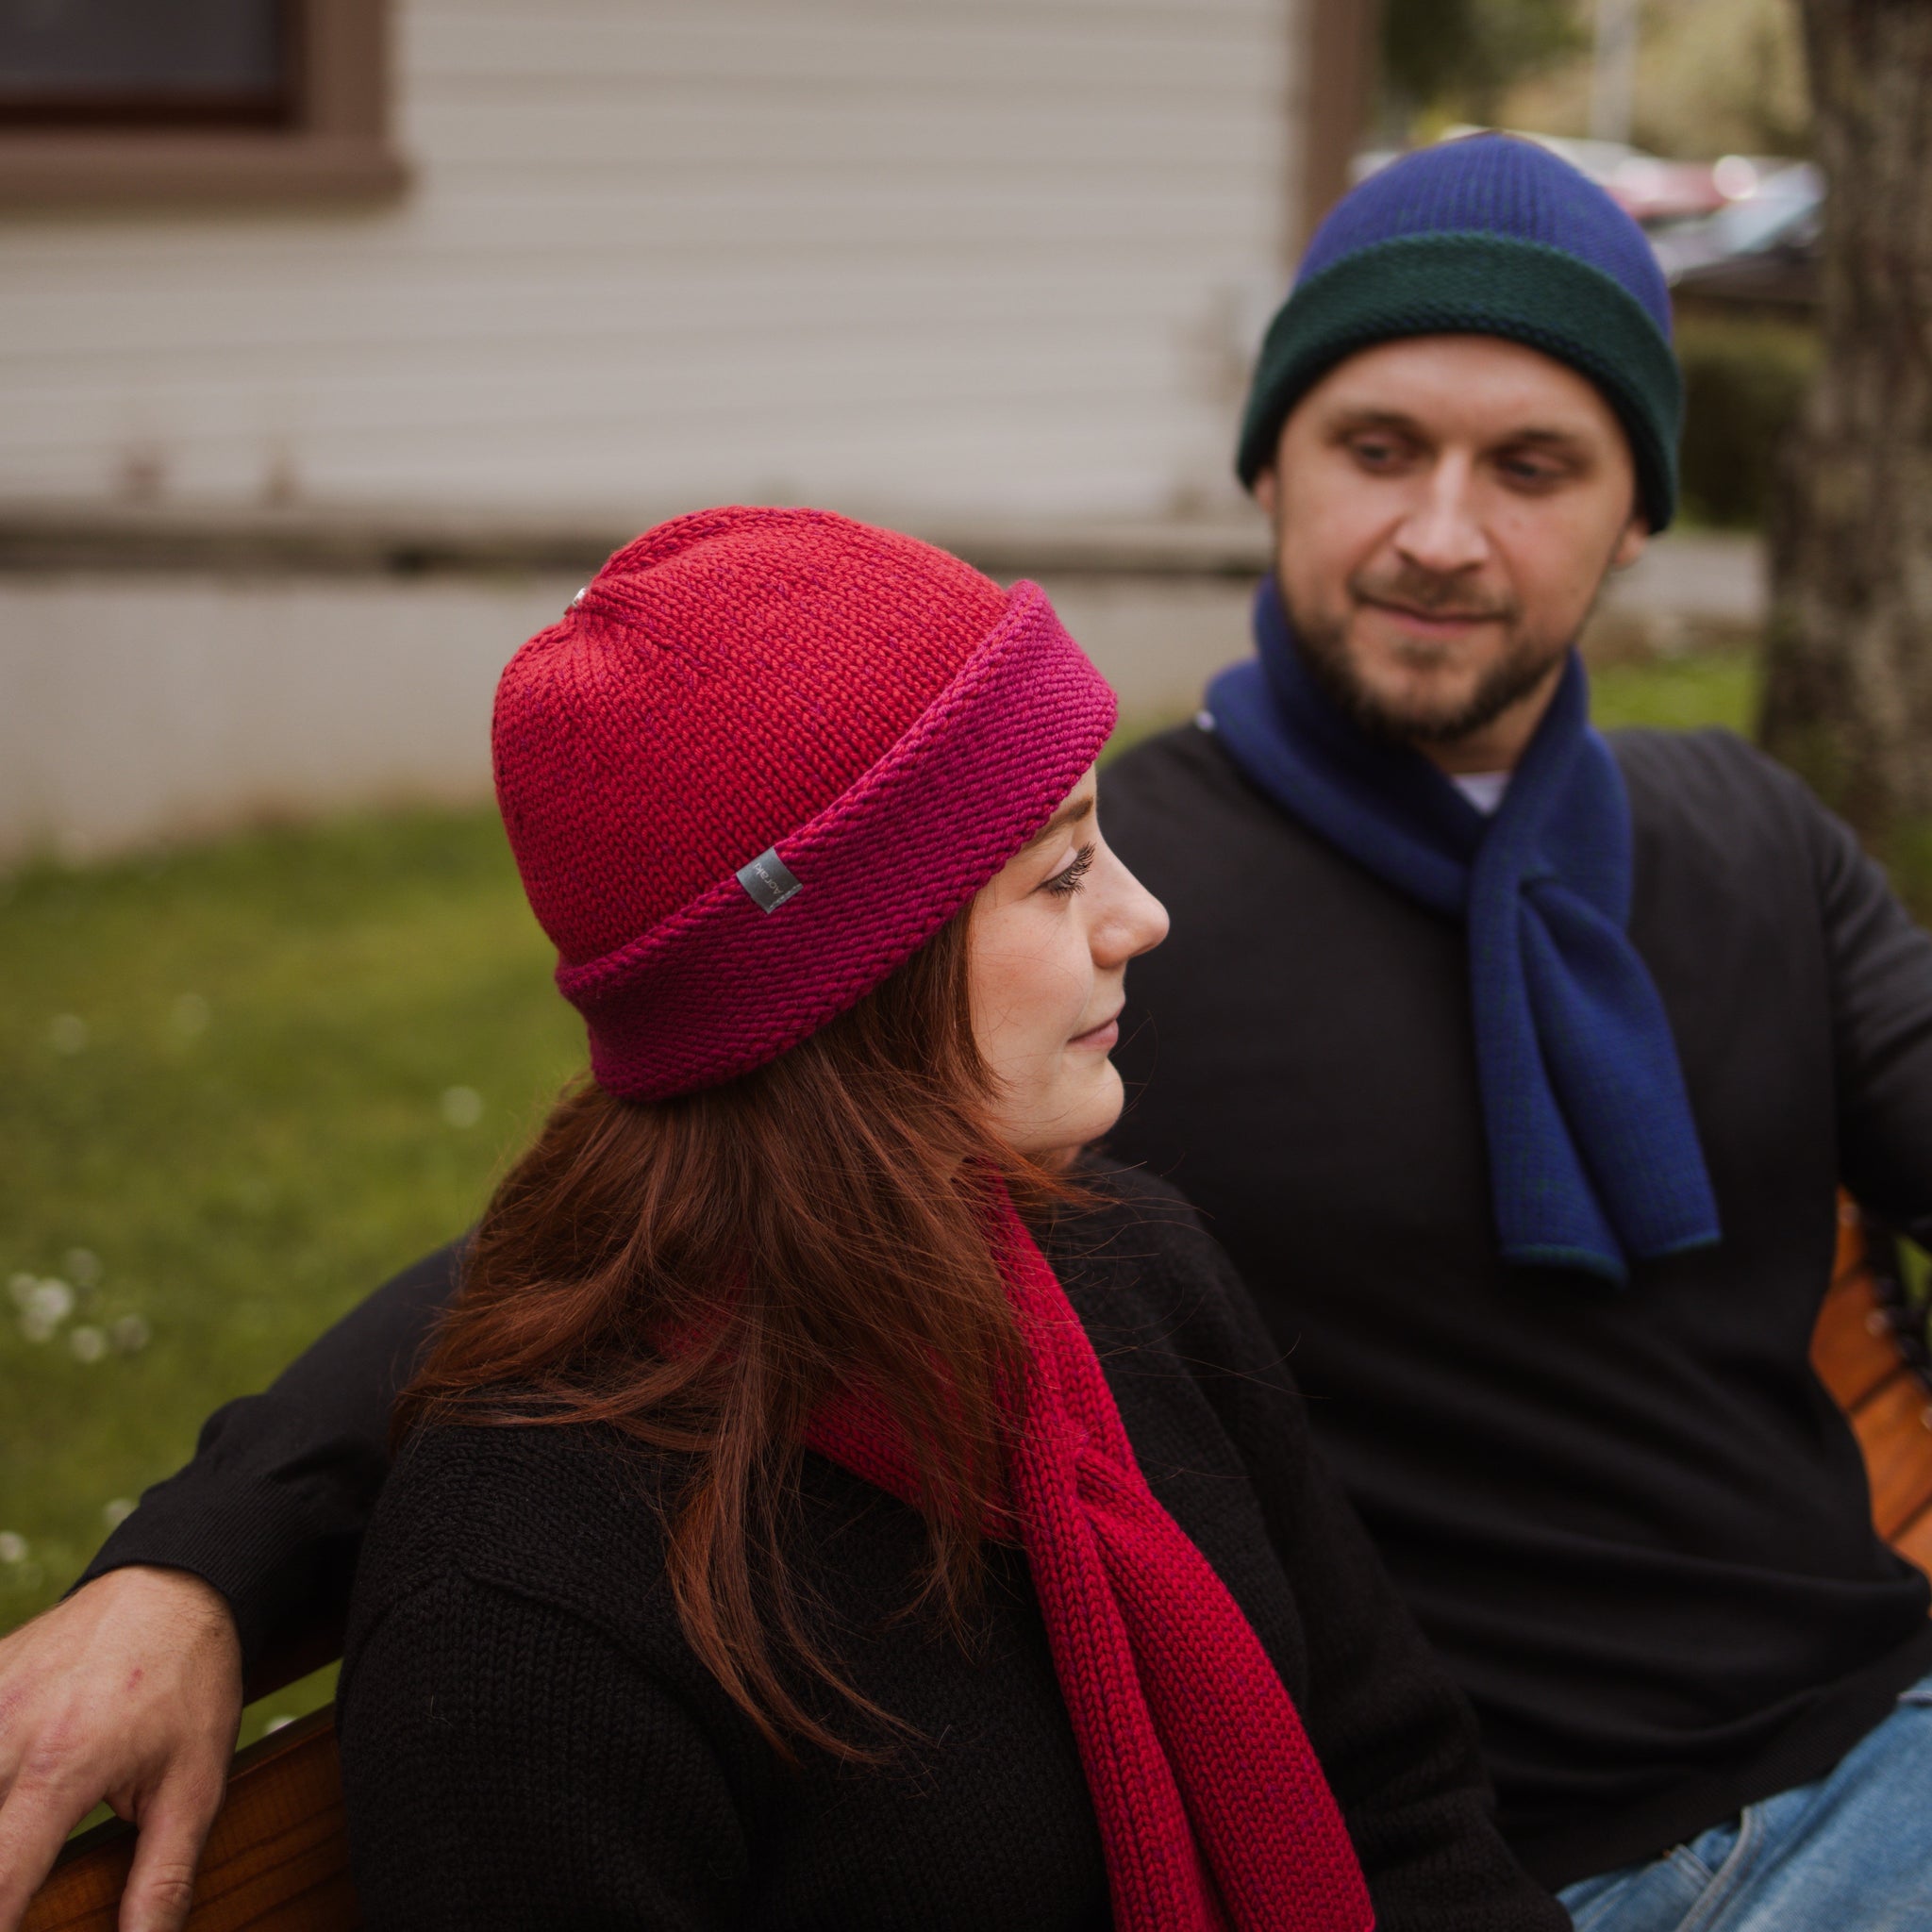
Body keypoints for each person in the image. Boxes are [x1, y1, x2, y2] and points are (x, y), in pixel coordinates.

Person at [4, 129, 1930, 1930]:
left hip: (1882, 1733)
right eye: (1375, 444)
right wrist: (200, 1559)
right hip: (1543, 1834)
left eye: (1531, 466)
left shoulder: (1751, 836)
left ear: (1639, 517)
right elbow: (674, 1217)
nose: (1437, 531)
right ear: (1268, 461)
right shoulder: (1047, 904)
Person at [4, 507, 1569, 1931]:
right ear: (841, 985)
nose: (1137, 915)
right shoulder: (535, 1598)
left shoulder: (1129, 1272)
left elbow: (1400, 1790)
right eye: (1058, 868)